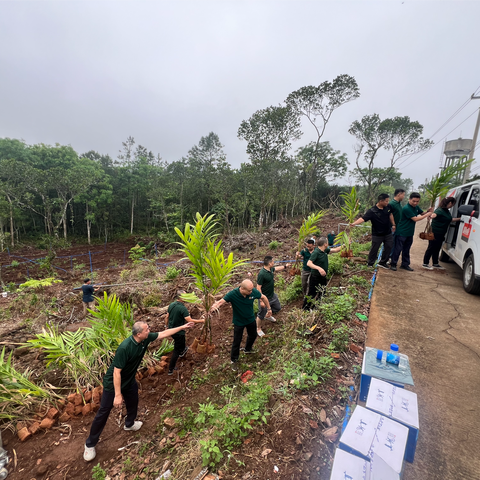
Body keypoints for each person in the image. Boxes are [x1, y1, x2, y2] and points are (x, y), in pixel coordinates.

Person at [84, 321, 194, 461]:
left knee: (133, 400)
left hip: (129, 380)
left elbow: (163, 333)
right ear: (138, 334)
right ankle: (90, 444)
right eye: (147, 329)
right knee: (103, 411)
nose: (150, 330)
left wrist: (183, 326)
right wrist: (117, 395)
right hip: (113, 384)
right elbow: (116, 373)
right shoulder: (125, 347)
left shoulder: (145, 338)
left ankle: (129, 424)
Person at [209, 279, 271, 371]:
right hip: (239, 322)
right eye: (249, 290)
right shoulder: (232, 294)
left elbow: (264, 297)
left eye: (251, 290)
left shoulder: (253, 292)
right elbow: (220, 302)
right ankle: (234, 360)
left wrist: (269, 309)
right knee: (237, 341)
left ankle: (248, 349)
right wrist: (211, 309)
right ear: (242, 289)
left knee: (253, 335)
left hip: (250, 319)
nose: (252, 291)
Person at [350, 193, 396, 269]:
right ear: (381, 201)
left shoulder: (388, 207)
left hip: (387, 233)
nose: (388, 203)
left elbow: (390, 214)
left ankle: (383, 262)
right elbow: (363, 218)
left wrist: (393, 224)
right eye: (386, 201)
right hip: (377, 234)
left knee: (389, 246)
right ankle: (370, 263)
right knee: (374, 249)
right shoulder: (372, 211)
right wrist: (354, 223)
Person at [390, 192, 433, 272]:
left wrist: (427, 212)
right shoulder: (406, 208)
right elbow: (415, 219)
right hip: (402, 232)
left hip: (409, 233)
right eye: (413, 201)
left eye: (417, 201)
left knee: (407, 249)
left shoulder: (416, 207)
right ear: (409, 199)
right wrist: (427, 215)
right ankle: (393, 264)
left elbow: (422, 213)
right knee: (398, 249)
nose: (415, 203)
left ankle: (405, 264)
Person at [165, 290, 205, 375]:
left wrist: (167, 327)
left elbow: (167, 317)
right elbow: (189, 320)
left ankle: (182, 351)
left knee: (180, 344)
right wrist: (202, 320)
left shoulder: (171, 305)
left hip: (171, 331)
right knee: (177, 350)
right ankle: (171, 370)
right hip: (179, 332)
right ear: (182, 297)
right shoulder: (183, 308)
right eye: (186, 296)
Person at [255, 256, 290, 337]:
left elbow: (277, 268)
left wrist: (285, 266)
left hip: (272, 295)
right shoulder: (262, 274)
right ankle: (258, 328)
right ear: (270, 263)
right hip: (264, 297)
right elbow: (258, 288)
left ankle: (268, 314)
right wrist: (261, 300)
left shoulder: (270, 269)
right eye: (273, 262)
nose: (274, 263)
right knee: (261, 314)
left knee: (278, 308)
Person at [302, 237, 341, 310]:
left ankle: (316, 308)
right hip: (315, 277)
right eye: (327, 242)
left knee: (322, 292)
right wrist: (319, 268)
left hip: (322, 277)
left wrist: (346, 244)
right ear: (325, 244)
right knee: (311, 294)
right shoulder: (316, 252)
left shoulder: (325, 250)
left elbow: (335, 250)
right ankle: (305, 309)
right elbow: (309, 263)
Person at [422, 197, 461, 270]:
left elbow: (450, 219)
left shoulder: (446, 211)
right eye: (453, 204)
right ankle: (425, 263)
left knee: (437, 248)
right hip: (435, 233)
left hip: (441, 233)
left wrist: (460, 219)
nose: (452, 205)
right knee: (431, 247)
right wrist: (430, 215)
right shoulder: (440, 210)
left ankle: (435, 263)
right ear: (449, 203)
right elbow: (434, 215)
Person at [389, 189, 406, 260]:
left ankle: (391, 257)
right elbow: (390, 214)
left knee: (395, 243)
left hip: (398, 227)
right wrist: (393, 225)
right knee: (391, 243)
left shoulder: (399, 204)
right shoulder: (392, 204)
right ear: (399, 194)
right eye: (403, 195)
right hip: (392, 227)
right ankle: (388, 257)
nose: (404, 197)